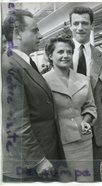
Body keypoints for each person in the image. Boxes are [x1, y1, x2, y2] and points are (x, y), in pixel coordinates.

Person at [2, 9, 64, 182]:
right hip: (29, 163)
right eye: (35, 30)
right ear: (17, 33)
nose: (40, 35)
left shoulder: (23, 62)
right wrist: (38, 160)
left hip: (39, 154)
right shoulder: (9, 65)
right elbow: (16, 121)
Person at [69, 6, 102, 181]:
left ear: (91, 26)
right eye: (75, 23)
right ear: (70, 26)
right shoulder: (60, 54)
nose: (80, 27)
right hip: (68, 127)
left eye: (84, 23)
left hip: (95, 128)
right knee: (72, 176)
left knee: (96, 175)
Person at [43, 36, 97, 182]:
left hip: (83, 140)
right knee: (65, 180)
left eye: (69, 52)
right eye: (60, 52)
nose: (65, 56)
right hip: (59, 141)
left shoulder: (83, 79)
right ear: (50, 55)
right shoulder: (43, 81)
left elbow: (90, 106)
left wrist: (86, 120)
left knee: (85, 180)